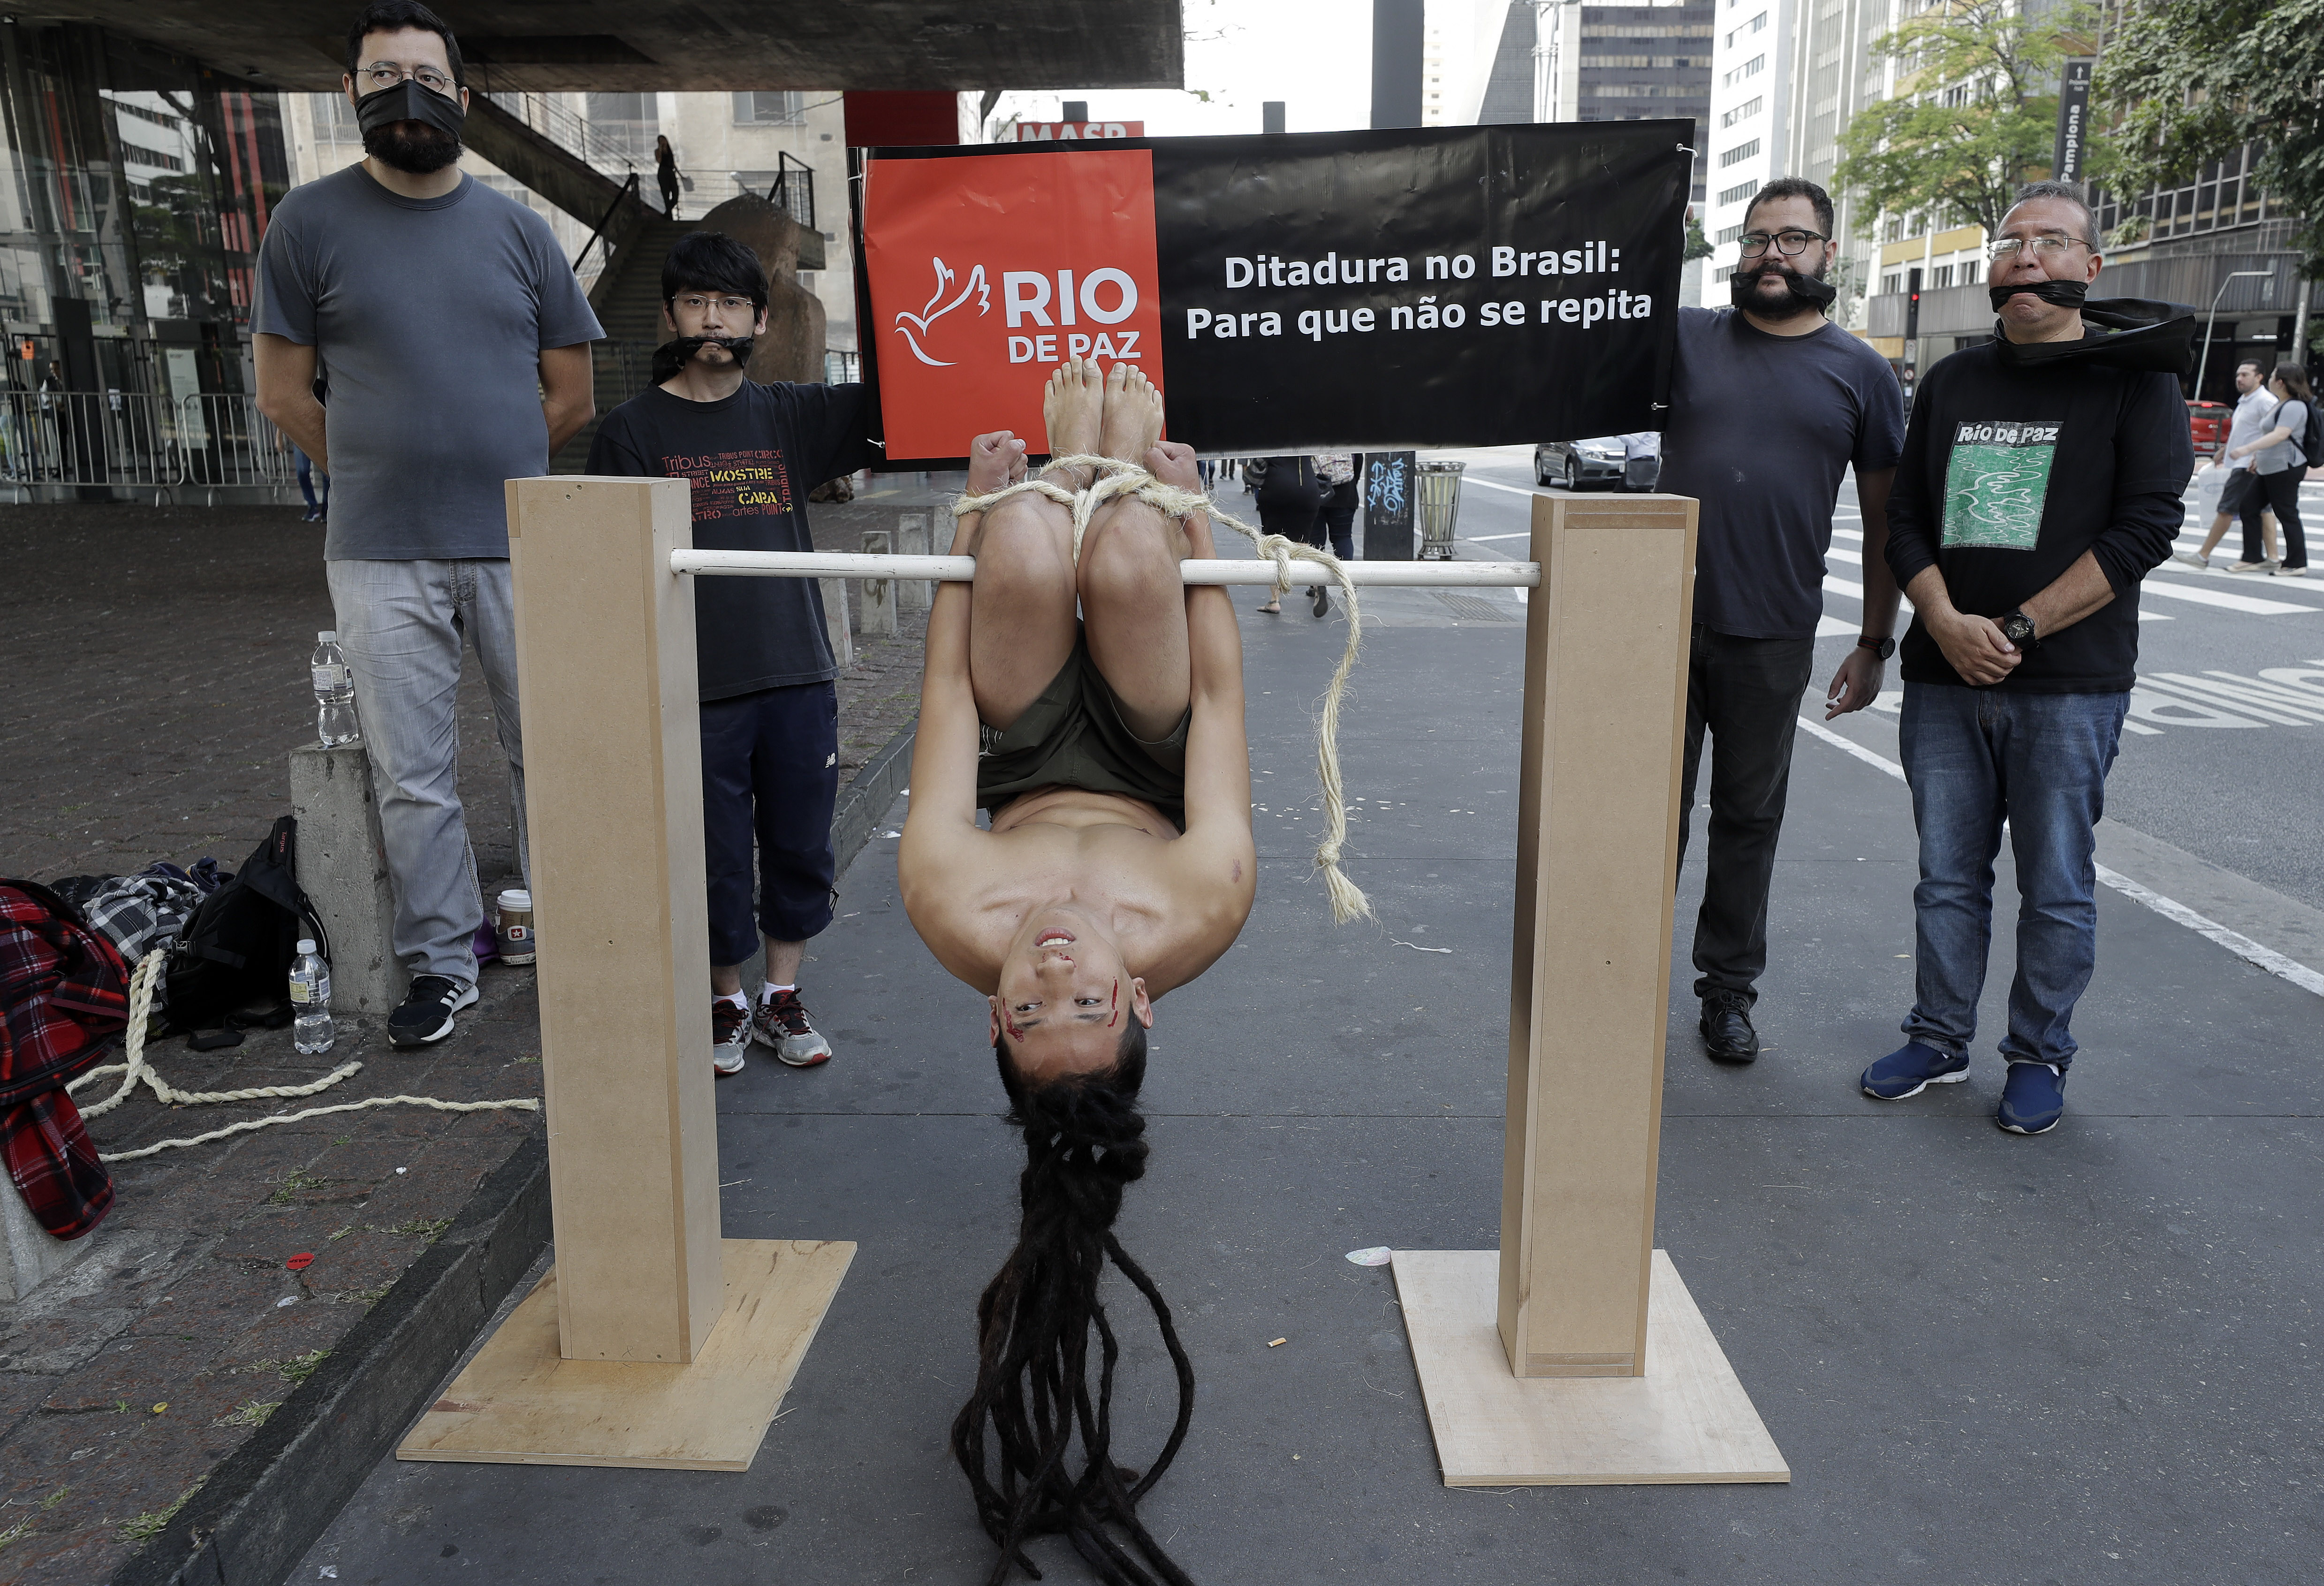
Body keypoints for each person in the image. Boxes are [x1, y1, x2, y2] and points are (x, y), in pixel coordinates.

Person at [900, 358, 1250, 1582]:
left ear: (995, 1015)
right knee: (1132, 566)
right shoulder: (1200, 906)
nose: (1055, 966)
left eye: (1033, 1003)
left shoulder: (953, 904)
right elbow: (1214, 700)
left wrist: (974, 511)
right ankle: (1109, 463)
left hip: (1033, 739)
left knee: (1036, 556)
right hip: (1155, 747)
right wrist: (1189, 512)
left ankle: (1066, 470)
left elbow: (946, 694)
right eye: (1086, 1000)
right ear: (1138, 997)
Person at [253, 0, 601, 1048]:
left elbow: (572, 394)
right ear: (348, 93)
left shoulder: (518, 229)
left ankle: (577, 936)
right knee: (413, 773)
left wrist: (490, 472)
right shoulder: (306, 224)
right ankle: (443, 965)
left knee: (550, 748)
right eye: (381, 73)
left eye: (427, 73)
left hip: (520, 543)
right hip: (376, 550)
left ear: (465, 95)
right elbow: (281, 394)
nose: (407, 90)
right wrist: (372, 468)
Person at [1861, 180, 2193, 1136]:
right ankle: (1936, 1035)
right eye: (2010, 244)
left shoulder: (2136, 377)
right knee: (1945, 876)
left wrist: (2011, 631)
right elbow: (1905, 518)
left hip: (2067, 684)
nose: (2025, 258)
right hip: (1940, 676)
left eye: (2050, 243)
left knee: (2054, 882)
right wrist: (1942, 620)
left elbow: (2144, 530)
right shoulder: (1955, 381)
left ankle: (2038, 1052)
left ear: (2089, 268)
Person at [587, 231, 876, 1075]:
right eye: (697, 303)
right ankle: (725, 997)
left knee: (797, 843)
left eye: (731, 305)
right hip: (694, 684)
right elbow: (609, 568)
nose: (713, 320)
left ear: (757, 318)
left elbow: (899, 396)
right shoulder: (631, 433)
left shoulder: (790, 414)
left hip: (794, 672)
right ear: (671, 314)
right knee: (711, 852)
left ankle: (781, 997)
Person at [1656, 176, 1907, 1065]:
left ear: (1825, 253)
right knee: (1647, 815)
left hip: (1772, 631)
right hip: (1652, 625)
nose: (1772, 252)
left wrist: (1874, 643)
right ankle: (1619, 973)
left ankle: (1725, 993)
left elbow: (1886, 525)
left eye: (1792, 238)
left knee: (1747, 818)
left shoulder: (1862, 373)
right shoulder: (1682, 339)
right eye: (1758, 237)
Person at [2176, 358, 2279, 571]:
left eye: (2245, 375)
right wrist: (2224, 451)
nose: (2239, 379)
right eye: (2238, 374)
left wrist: (2258, 455)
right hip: (2242, 462)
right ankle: (2273, 557)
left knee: (2226, 508)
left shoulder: (2265, 401)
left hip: (2248, 464)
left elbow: (2275, 432)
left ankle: (2203, 556)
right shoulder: (2245, 400)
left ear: (2259, 377)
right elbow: (2244, 432)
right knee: (2263, 510)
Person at [2225, 363, 2310, 578]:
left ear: (2281, 382)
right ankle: (2252, 557)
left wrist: (2247, 449)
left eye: (2273, 376)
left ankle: (2296, 562)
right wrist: (2256, 457)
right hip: (2269, 467)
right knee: (2249, 507)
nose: (2270, 380)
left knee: (2287, 513)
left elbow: (2281, 435)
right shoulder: (2280, 404)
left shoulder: (2294, 406)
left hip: (2285, 467)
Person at [1249, 453, 1329, 615]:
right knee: (1303, 544)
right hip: (1308, 490)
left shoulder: (1274, 440)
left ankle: (1274, 601)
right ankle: (1316, 582)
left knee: (1273, 545)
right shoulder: (1307, 441)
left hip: (1277, 489)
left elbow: (1254, 472)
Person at [654, 133, 681, 220]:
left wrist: (680, 175)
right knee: (666, 194)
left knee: (675, 194)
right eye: (661, 141)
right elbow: (659, 161)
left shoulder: (670, 151)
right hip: (663, 172)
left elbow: (673, 164)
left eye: (664, 140)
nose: (663, 142)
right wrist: (661, 150)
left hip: (671, 172)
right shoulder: (657, 151)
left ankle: (667, 213)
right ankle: (669, 217)